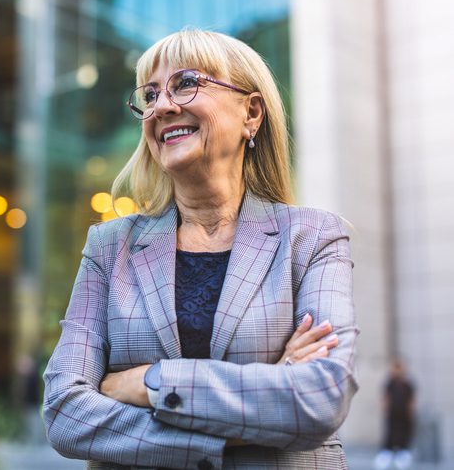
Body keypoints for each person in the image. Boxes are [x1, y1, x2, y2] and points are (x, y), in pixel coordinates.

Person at [42, 29, 358, 469]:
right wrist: (267, 393)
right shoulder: (109, 246)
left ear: (251, 113)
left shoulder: (312, 239)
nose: (163, 107)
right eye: (150, 95)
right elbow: (64, 414)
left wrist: (148, 383)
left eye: (186, 83)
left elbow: (320, 399)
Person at [374, 359, 416, 469]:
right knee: (390, 433)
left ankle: (403, 454)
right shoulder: (390, 384)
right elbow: (385, 398)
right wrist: (385, 408)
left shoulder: (407, 384)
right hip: (392, 414)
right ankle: (387, 454)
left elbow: (412, 400)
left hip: (404, 415)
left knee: (404, 434)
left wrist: (411, 412)